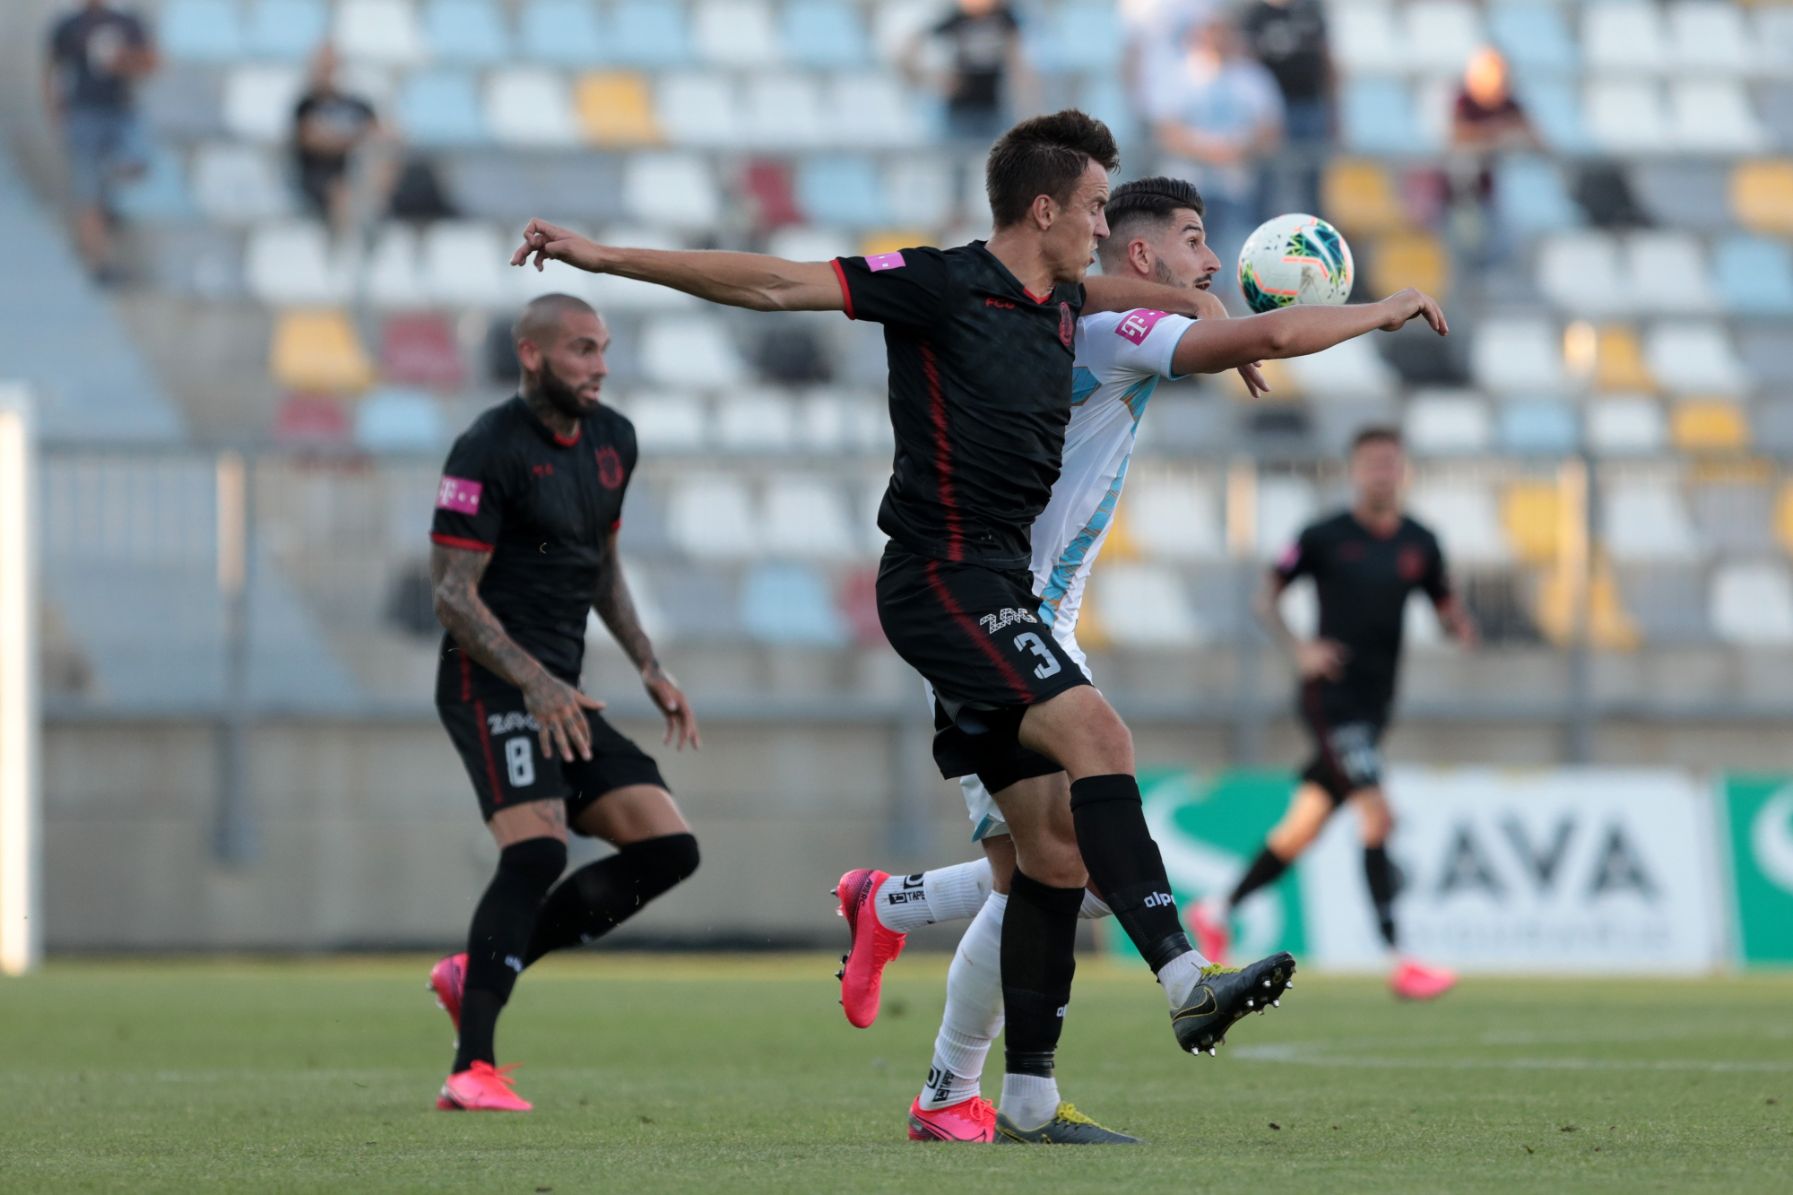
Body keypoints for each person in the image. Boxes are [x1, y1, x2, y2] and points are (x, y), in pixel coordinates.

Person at [508, 111, 1302, 1145]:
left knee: (1050, 863)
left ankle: (986, 1056)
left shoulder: (1061, 299)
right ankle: (1173, 979)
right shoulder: (935, 283)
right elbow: (773, 281)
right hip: (948, 585)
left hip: (1002, 591)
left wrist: (1198, 308)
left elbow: (1116, 294)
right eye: (1097, 207)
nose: (1104, 228)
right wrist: (606, 255)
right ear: (1047, 207)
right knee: (1088, 775)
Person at [828, 180, 1450, 1143]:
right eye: (1197, 243)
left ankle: (912, 940)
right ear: (1141, 254)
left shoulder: (1081, 310)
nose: (1213, 263)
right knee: (1047, 860)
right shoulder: (1108, 330)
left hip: (1031, 611)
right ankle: (999, 1051)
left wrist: (1209, 315)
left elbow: (1224, 332)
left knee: (1044, 867)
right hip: (983, 607)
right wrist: (1381, 308)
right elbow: (1270, 339)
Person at [425, 294, 703, 1112]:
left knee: (668, 849)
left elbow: (600, 567)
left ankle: (477, 970)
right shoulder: (485, 449)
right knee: (536, 852)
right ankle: (471, 1067)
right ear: (533, 355)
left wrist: (648, 663)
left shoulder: (614, 441)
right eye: (582, 349)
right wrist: (535, 681)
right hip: (489, 681)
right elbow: (450, 595)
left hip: (565, 688)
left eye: (605, 348)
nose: (600, 365)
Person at [1190, 427, 1477, 1001]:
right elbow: (1265, 599)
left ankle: (1215, 910)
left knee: (1302, 829)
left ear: (1403, 472)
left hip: (1375, 708)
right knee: (1378, 814)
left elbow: (1446, 605)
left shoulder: (1420, 543)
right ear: (1355, 471)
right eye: (1371, 463)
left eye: (1390, 464)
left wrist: (1457, 624)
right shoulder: (1323, 537)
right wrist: (1301, 650)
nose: (1381, 473)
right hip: (1332, 697)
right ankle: (1401, 957)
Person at [1150, 12, 1285, 309]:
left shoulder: (1253, 77)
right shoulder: (1176, 75)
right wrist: (1214, 152)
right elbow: (1166, 131)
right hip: (1185, 190)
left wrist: (1237, 149)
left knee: (1231, 259)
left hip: (1236, 187)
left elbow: (1270, 130)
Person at [43, 0, 158, 284]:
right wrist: (55, 110)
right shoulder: (69, 26)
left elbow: (151, 62)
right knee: (87, 193)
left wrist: (123, 60)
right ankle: (98, 263)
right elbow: (51, 70)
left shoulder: (126, 22)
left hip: (120, 112)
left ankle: (112, 205)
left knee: (134, 166)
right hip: (84, 114)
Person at [1239, 0, 1335, 217]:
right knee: (1269, 175)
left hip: (1309, 104)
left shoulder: (1311, 9)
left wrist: (1333, 110)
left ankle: (1312, 230)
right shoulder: (1256, 15)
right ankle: (1263, 230)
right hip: (1270, 111)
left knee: (1312, 176)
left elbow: (1326, 58)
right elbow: (1246, 64)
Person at [903, 0, 1037, 146]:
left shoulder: (1004, 20)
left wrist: (1028, 106)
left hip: (992, 108)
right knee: (957, 159)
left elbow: (1018, 65)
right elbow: (911, 48)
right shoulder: (955, 19)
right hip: (960, 111)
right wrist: (934, 80)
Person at [291, 45, 384, 235]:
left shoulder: (358, 103)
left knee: (381, 167)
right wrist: (355, 139)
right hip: (317, 174)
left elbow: (383, 135)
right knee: (340, 191)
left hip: (358, 170)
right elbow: (311, 141)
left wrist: (337, 138)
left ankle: (374, 222)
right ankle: (345, 246)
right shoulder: (307, 104)